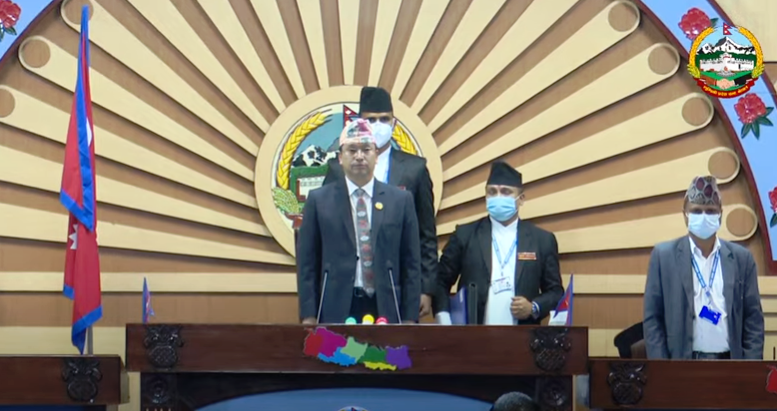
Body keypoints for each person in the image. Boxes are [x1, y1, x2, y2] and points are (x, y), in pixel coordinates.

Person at [323, 86, 438, 318]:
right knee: (345, 342)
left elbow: (426, 235)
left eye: (384, 119)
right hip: (347, 288)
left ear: (394, 123)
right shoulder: (337, 170)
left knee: (394, 343)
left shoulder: (414, 169)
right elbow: (325, 233)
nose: (378, 125)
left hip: (397, 286)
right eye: (371, 120)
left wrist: (426, 289)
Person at [296, 119, 421, 325]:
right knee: (339, 349)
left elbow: (411, 263)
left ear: (376, 155)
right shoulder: (319, 201)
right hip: (336, 306)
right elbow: (307, 263)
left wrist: (409, 317)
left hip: (386, 306)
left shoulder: (400, 200)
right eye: (352, 150)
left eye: (366, 150)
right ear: (340, 158)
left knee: (385, 350)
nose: (359, 156)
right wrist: (309, 315)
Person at [643, 176, 764, 359]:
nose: (704, 217)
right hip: (682, 364)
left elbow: (753, 320)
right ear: (685, 215)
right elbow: (653, 320)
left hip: (730, 363)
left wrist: (749, 368)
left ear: (720, 214)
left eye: (710, 211)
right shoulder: (663, 257)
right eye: (697, 211)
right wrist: (662, 369)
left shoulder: (742, 259)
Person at [433, 161, 564, 325]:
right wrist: (444, 318)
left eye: (506, 192)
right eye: (492, 192)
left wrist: (534, 307)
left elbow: (555, 292)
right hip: (472, 333)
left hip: (522, 335)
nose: (498, 197)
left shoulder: (542, 240)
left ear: (521, 199)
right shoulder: (465, 235)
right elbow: (440, 280)